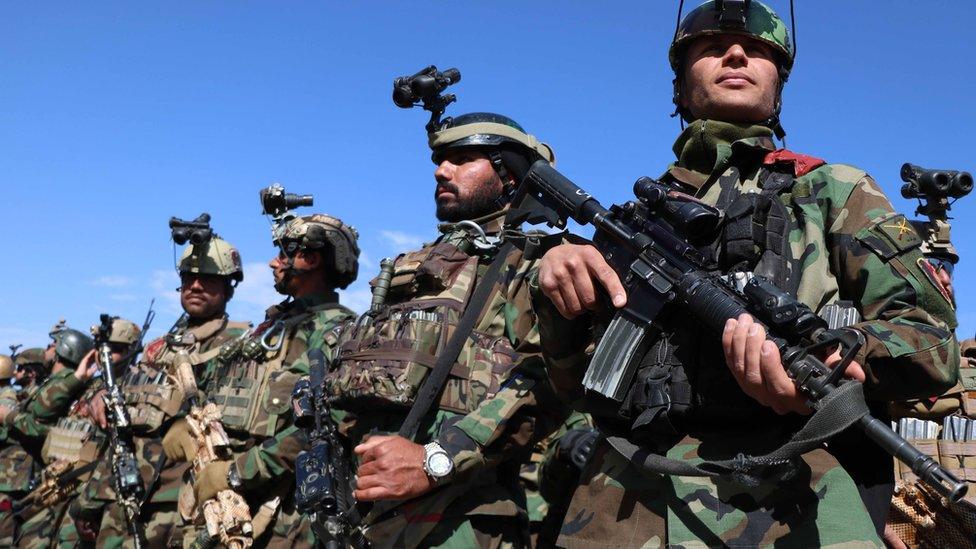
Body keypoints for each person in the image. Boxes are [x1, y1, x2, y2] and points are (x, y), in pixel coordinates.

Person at [533, 1, 960, 546]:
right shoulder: (638, 220)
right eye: (711, 48)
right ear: (680, 87)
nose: (735, 53)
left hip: (793, 492)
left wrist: (835, 356)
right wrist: (557, 293)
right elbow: (576, 388)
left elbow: (932, 343)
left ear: (777, 86)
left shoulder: (832, 191)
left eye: (757, 51)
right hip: (625, 496)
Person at [320, 111, 563, 547]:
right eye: (440, 159)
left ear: (510, 174)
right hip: (366, 512)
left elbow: (545, 382)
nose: (440, 170)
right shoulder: (412, 267)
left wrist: (438, 458)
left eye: (462, 158)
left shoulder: (533, 262)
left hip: (460, 519)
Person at [167, 211, 359, 547]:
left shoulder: (336, 330)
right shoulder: (273, 327)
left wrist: (237, 471)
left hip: (282, 516)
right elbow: (219, 386)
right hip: (226, 505)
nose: (273, 263)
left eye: (283, 254)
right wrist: (186, 425)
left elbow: (327, 425)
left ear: (310, 260)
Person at [69, 234, 251, 547]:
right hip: (123, 494)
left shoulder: (242, 346)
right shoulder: (158, 350)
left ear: (228, 288)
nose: (194, 286)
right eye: (188, 278)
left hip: (182, 505)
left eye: (206, 279)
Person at [16, 317, 140, 548]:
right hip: (55, 491)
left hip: (90, 498)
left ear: (132, 352)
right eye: (102, 347)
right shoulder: (87, 385)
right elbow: (40, 413)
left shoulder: (134, 389)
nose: (106, 354)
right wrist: (76, 378)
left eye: (116, 350)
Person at [0, 326, 94, 546]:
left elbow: (40, 416)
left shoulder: (66, 381)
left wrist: (8, 417)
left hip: (34, 476)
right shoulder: (57, 381)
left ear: (64, 349)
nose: (47, 349)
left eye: (53, 345)